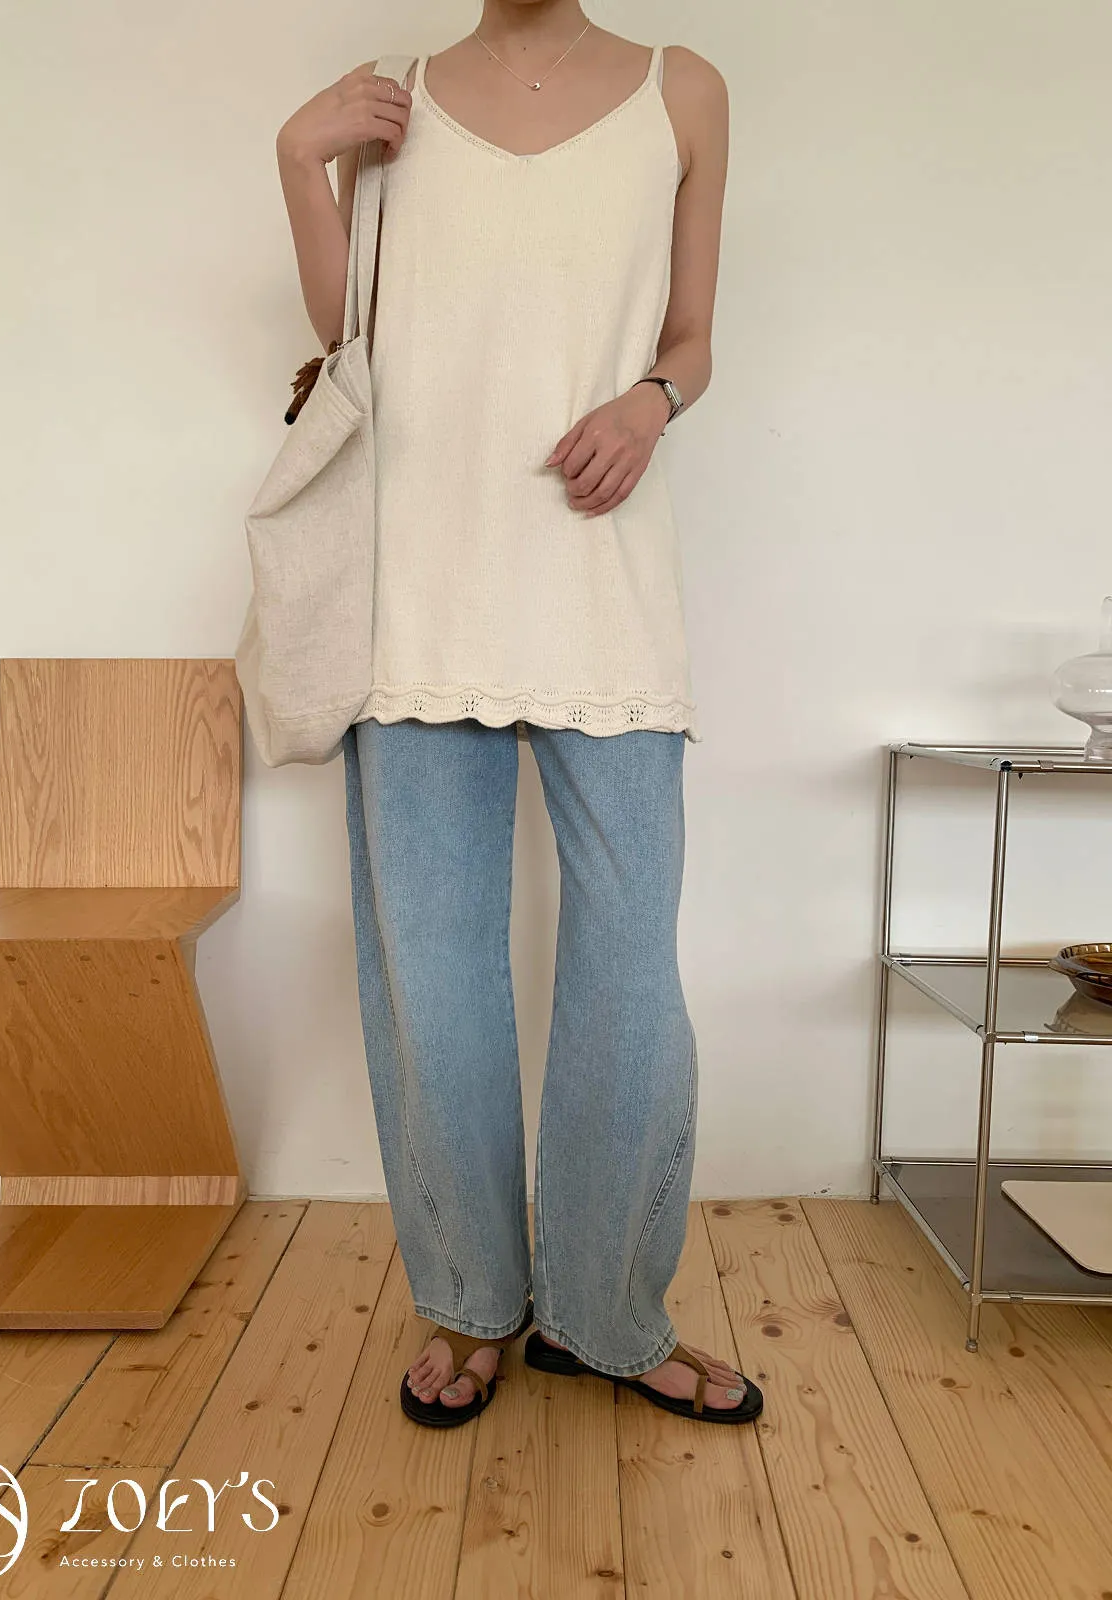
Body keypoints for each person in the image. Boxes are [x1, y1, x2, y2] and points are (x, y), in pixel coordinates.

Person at [274, 0, 762, 1428]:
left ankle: (607, 1314)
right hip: (416, 588)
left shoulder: (682, 89)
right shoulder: (390, 99)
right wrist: (299, 158)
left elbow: (694, 336)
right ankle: (470, 1303)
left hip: (603, 572)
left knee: (631, 974)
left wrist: (650, 403)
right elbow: (349, 340)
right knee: (431, 979)